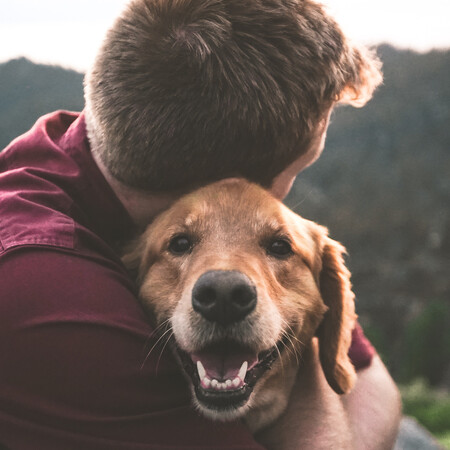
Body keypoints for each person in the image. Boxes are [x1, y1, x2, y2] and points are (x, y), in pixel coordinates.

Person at [0, 0, 401, 448]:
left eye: (274, 242)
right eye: (298, 169)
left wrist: (298, 336)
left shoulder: (112, 142)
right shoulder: (47, 294)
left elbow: (372, 383)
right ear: (230, 180)